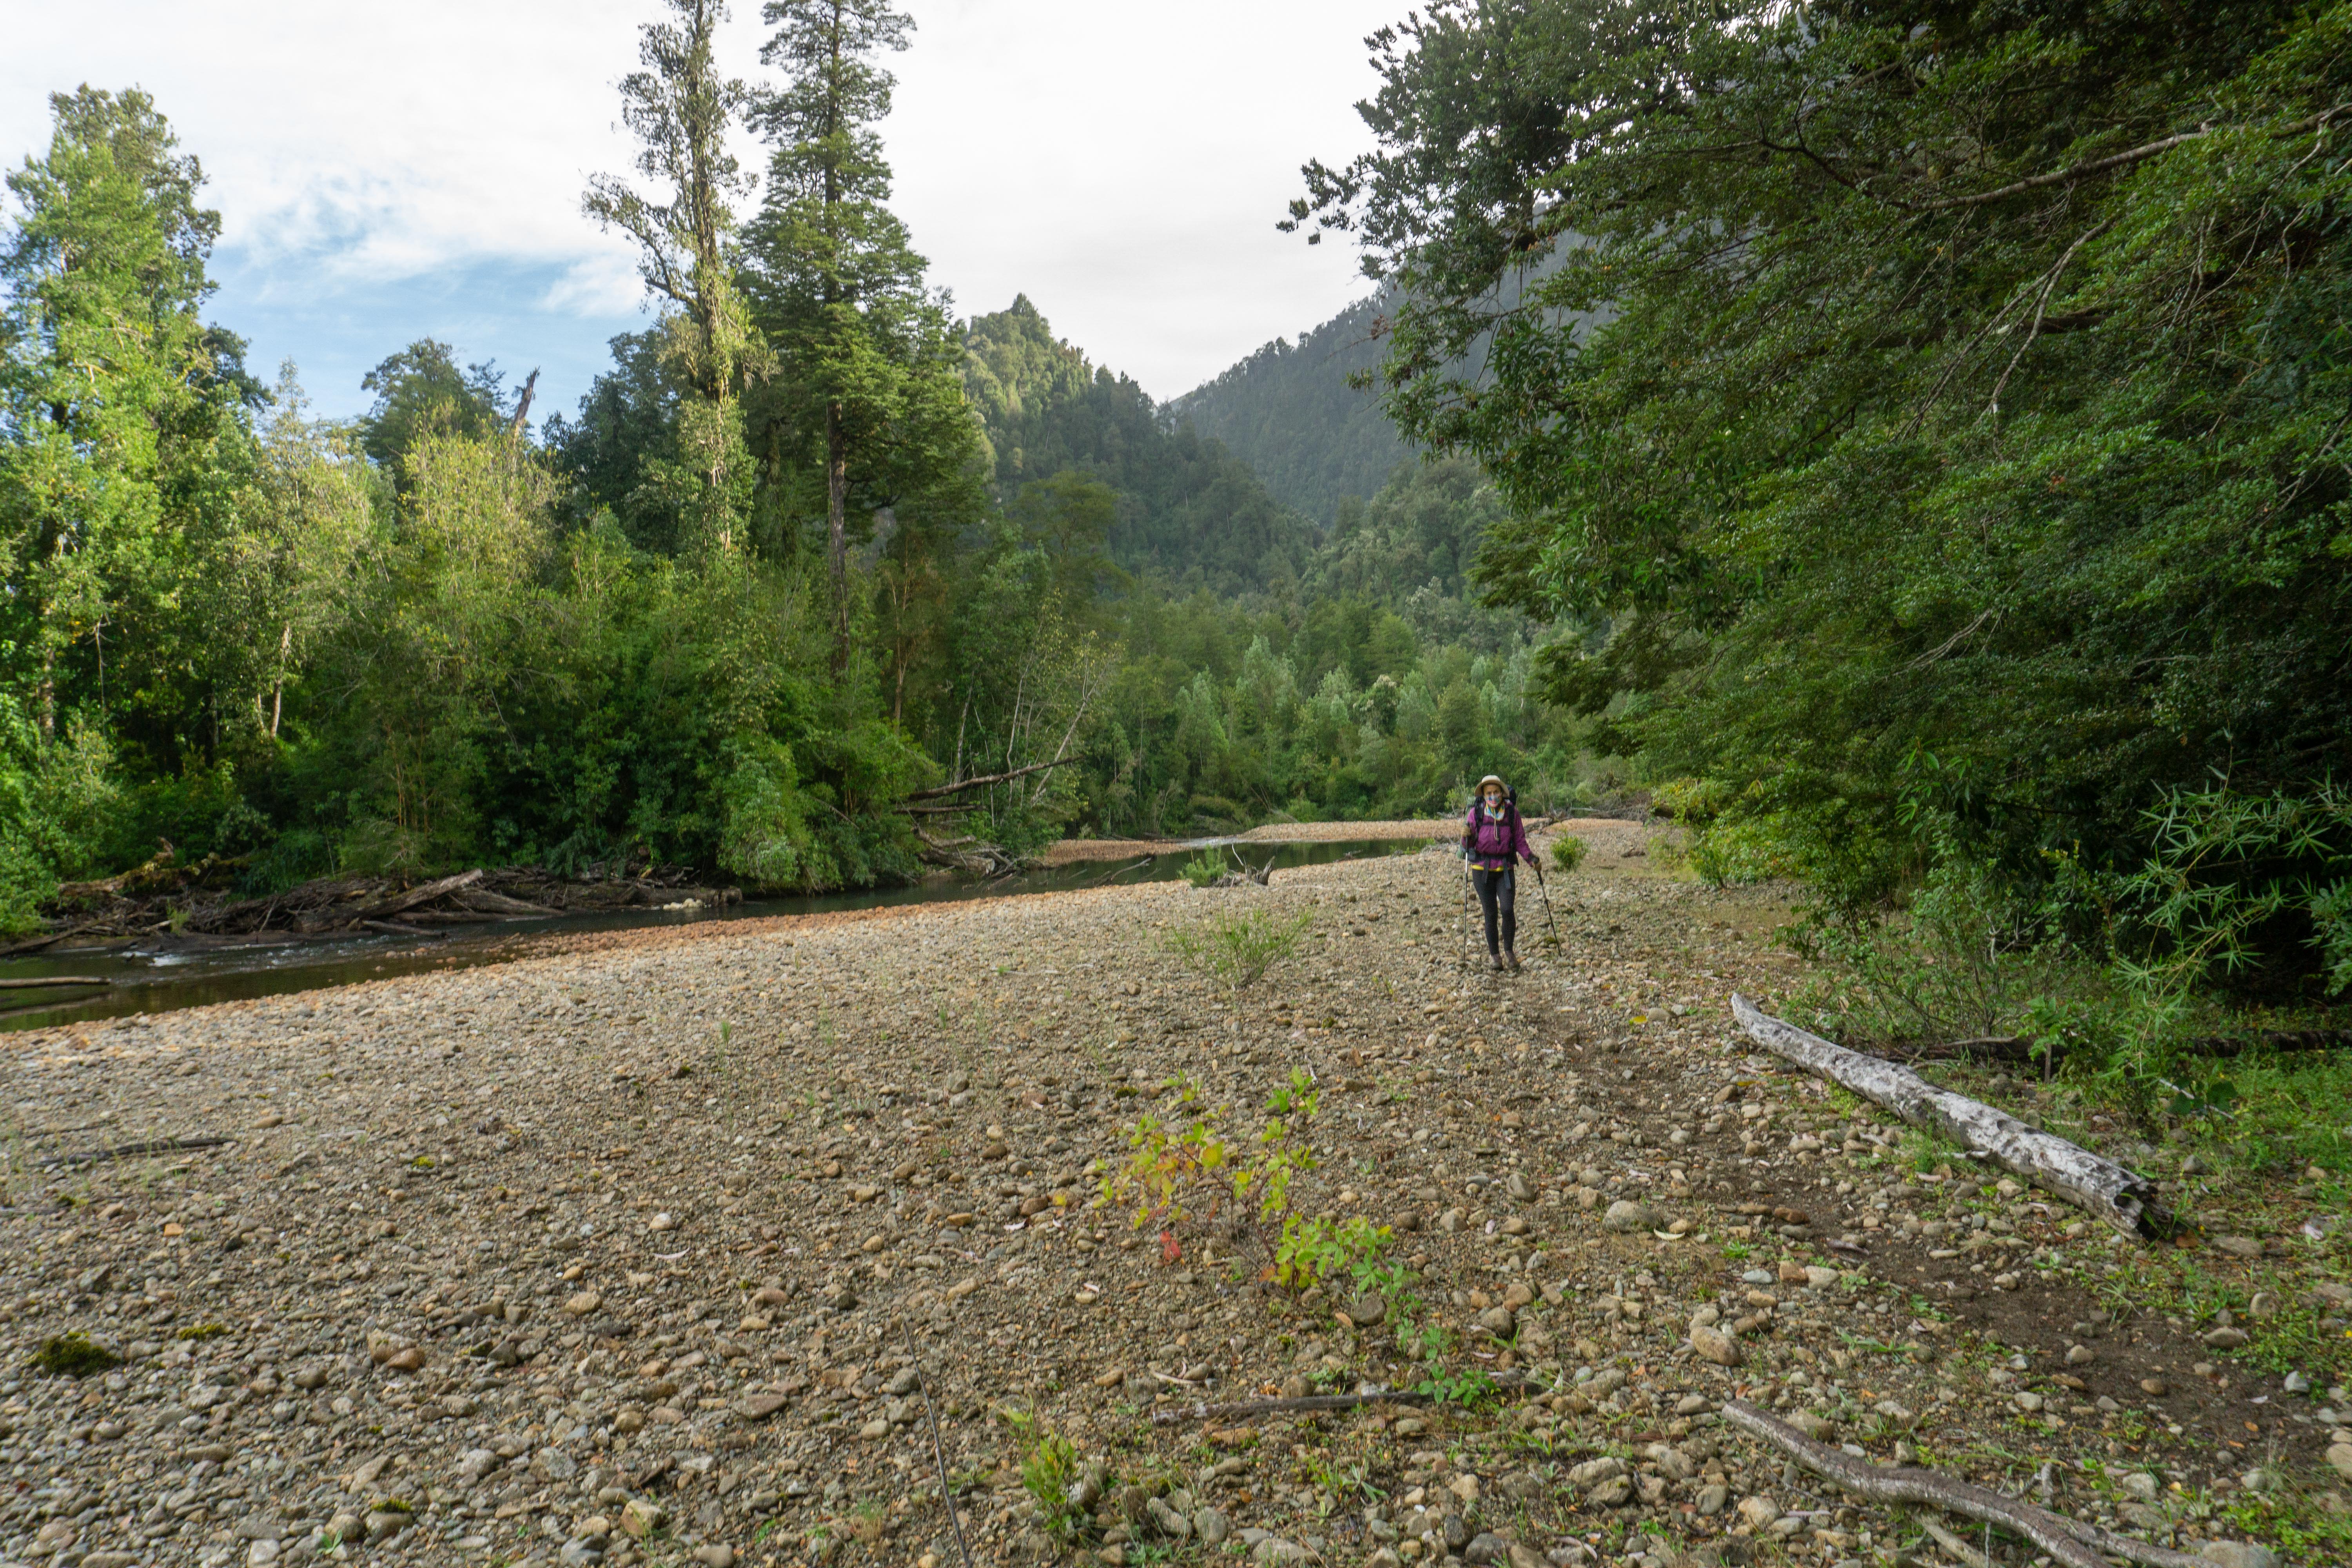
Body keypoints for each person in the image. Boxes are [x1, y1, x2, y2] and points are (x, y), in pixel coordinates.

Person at [1461, 774, 1537, 971]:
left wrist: (1532, 859)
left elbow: (1520, 841)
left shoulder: (1512, 813)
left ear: (1502, 794)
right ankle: (1496, 957)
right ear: (1484, 795)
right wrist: (1465, 836)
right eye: (1489, 793)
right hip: (1481, 869)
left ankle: (1510, 951)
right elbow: (1467, 846)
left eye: (1496, 793)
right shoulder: (1476, 813)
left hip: (1505, 868)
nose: (1493, 797)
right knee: (1490, 913)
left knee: (1507, 909)